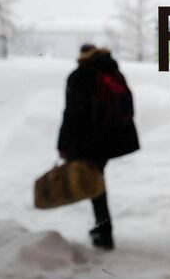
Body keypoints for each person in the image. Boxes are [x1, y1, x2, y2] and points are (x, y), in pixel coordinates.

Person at [57, 44, 139, 250]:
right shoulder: (111, 71)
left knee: (96, 187)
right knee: (96, 183)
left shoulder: (79, 76)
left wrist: (64, 145)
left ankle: (105, 233)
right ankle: (102, 228)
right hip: (110, 139)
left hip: (88, 140)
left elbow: (72, 113)